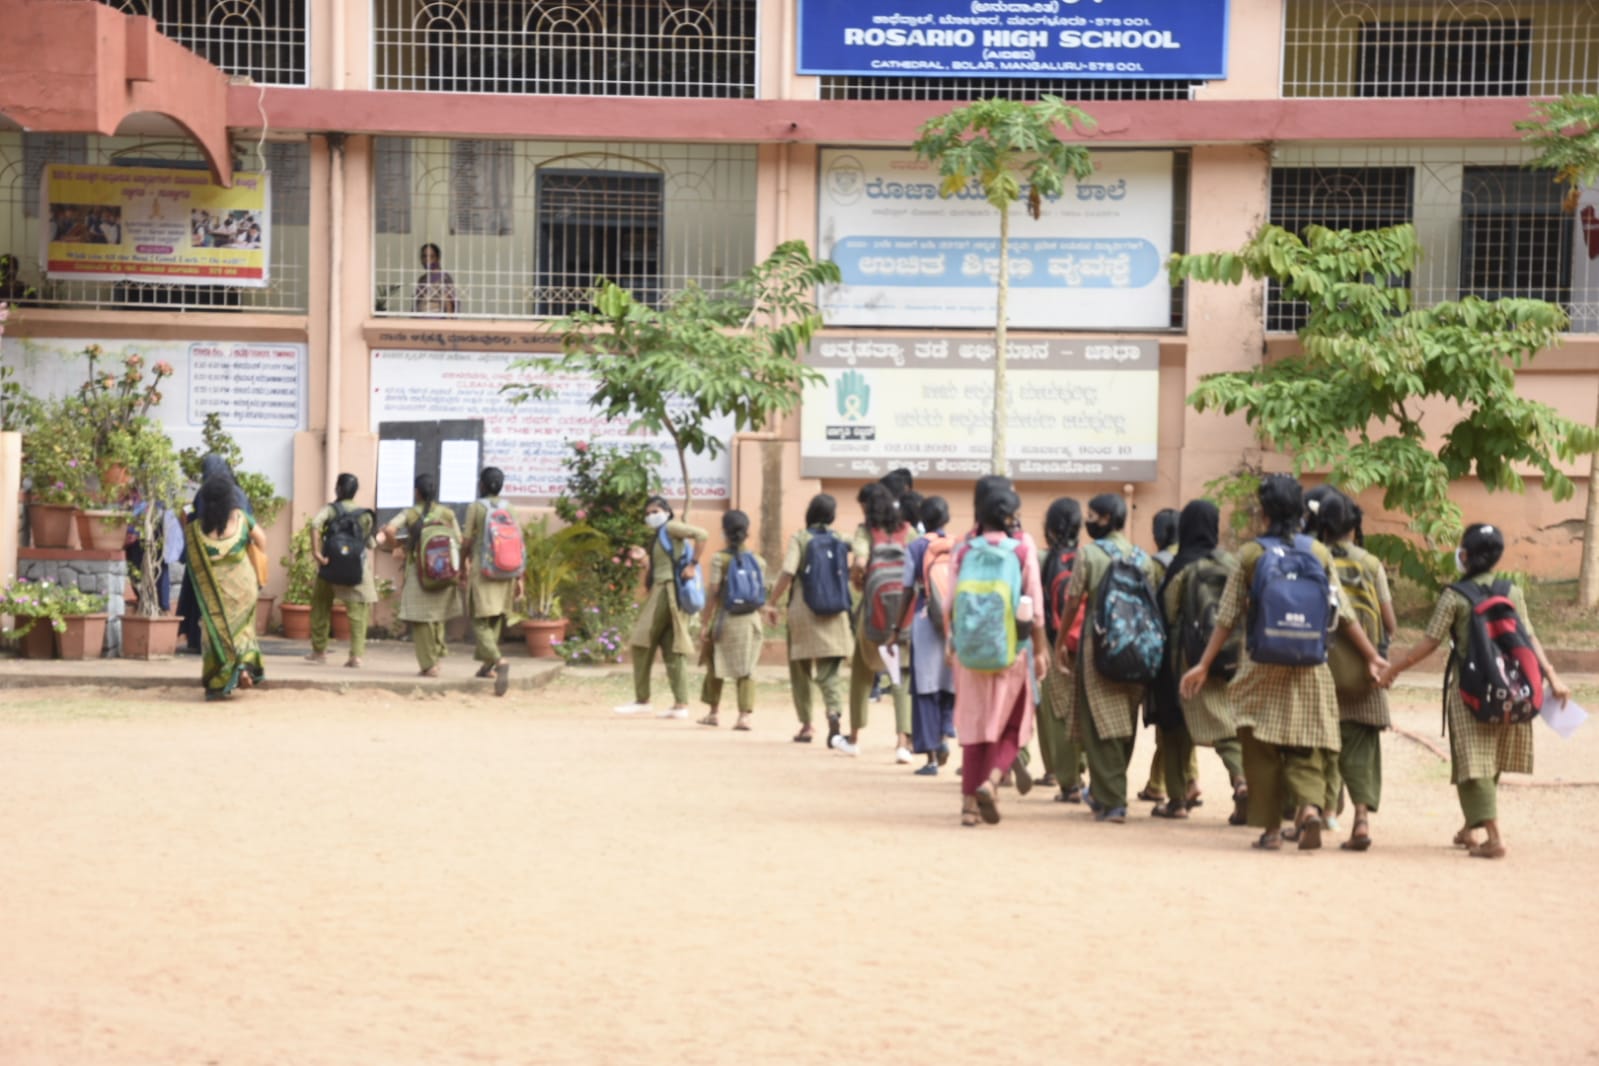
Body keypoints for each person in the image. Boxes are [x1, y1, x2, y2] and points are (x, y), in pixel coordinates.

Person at [1180, 475, 1387, 852]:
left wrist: (1204, 664)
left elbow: (1227, 616)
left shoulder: (1251, 555)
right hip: (1310, 664)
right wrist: (1372, 655)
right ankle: (1308, 808)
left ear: (1264, 513)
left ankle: (1272, 829)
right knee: (1305, 741)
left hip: (1260, 663)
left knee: (1260, 745)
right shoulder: (1318, 553)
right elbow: (1342, 612)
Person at [1379, 524, 1569, 859]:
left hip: (1469, 691)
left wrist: (1395, 668)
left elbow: (1430, 642)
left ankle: (1494, 837)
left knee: (1473, 761)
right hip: (1510, 689)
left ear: (1466, 555)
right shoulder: (1512, 591)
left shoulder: (1455, 595)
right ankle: (1470, 828)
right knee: (1488, 758)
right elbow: (1529, 637)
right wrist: (1551, 677)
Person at [1053, 492, 1158, 823]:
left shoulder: (1089, 554)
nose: (1088, 521)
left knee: (1100, 723)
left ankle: (1113, 800)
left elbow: (1073, 601)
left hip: (1098, 648)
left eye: (1093, 515)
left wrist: (1060, 642)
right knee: (1125, 721)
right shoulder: (1143, 559)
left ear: (1107, 519)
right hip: (1139, 649)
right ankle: (1103, 792)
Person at [948, 481, 1046, 826]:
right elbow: (1034, 606)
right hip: (1011, 651)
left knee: (974, 725)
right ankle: (991, 781)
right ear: (1010, 517)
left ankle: (968, 806)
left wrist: (953, 644)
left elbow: (949, 604)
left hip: (969, 652)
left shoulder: (963, 549)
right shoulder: (1021, 549)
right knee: (1013, 723)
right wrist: (1040, 651)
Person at [1153, 499, 1249, 823]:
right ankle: (1241, 780)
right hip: (1232, 656)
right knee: (1226, 726)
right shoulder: (1231, 562)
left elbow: (1168, 611)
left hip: (1187, 659)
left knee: (1175, 726)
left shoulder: (1183, 566)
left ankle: (1177, 800)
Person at [1316, 493, 1395, 850]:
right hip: (1365, 671)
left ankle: (1320, 810)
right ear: (1354, 526)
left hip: (1321, 667)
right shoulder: (1371, 564)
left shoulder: (1316, 559)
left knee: (1320, 743)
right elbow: (1389, 623)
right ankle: (1361, 818)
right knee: (1361, 745)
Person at [765, 494, 853, 744]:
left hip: (804, 609)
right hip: (835, 609)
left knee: (800, 668)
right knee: (829, 668)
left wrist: (772, 602)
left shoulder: (800, 538)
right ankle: (833, 710)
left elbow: (788, 571)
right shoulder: (840, 538)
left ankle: (806, 725)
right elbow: (861, 551)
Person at [614, 496, 709, 718]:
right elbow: (665, 564)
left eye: (655, 511)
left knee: (640, 642)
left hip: (666, 591)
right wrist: (644, 559)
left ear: (667, 512)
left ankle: (642, 700)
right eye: (647, 513)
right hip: (667, 591)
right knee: (672, 648)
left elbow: (702, 535)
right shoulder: (661, 535)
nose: (651, 516)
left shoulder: (671, 527)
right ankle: (680, 705)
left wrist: (693, 565)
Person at [844, 482, 912, 758]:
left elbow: (860, 562)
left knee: (862, 671)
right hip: (903, 613)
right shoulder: (907, 530)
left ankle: (854, 737)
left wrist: (858, 580)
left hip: (873, 610)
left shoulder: (865, 531)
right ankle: (902, 742)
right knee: (900, 674)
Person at [185, 474, 266, 700]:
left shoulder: (196, 530)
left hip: (215, 592)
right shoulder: (242, 519)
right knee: (244, 631)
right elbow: (262, 541)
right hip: (244, 588)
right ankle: (244, 667)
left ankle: (218, 682)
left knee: (215, 634)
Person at [378, 473, 462, 677]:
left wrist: (397, 547)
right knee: (438, 614)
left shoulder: (410, 513)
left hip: (419, 572)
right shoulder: (447, 513)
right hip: (444, 571)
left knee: (420, 618)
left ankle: (429, 664)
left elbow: (389, 530)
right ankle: (438, 654)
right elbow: (458, 540)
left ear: (416, 492)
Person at [1139, 506, 1195, 805]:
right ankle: (1175, 780)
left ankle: (1172, 783)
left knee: (1168, 722)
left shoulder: (1155, 564)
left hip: (1164, 650)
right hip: (1195, 648)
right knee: (1186, 720)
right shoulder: (1194, 560)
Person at [899, 495, 955, 775]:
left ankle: (932, 758)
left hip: (925, 619)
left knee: (925, 687)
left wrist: (897, 625)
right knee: (949, 683)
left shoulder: (916, 547)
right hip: (953, 619)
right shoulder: (957, 545)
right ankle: (945, 733)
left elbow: (907, 589)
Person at [1037, 497, 1088, 802]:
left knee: (1058, 711)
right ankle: (1083, 765)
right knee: (1083, 708)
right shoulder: (1088, 557)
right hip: (1087, 643)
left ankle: (1069, 781)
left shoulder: (1043, 559)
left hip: (1055, 641)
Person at [697, 510, 766, 730]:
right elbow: (759, 595)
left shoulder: (719, 559)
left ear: (724, 531)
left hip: (725, 619)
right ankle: (744, 716)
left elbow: (713, 592)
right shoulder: (758, 561)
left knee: (715, 664)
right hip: (750, 621)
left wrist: (704, 622)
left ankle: (713, 713)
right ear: (747, 532)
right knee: (747, 668)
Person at [177, 454, 252, 654]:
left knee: (200, 597)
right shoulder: (239, 493)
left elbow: (194, 517)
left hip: (206, 552)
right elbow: (248, 524)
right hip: (233, 555)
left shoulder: (204, 493)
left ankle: (198, 639)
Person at [460, 467, 522, 696]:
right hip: (506, 569)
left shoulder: (476, 507)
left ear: (482, 485)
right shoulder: (510, 508)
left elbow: (467, 540)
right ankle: (487, 667)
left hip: (483, 568)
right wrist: (520, 576)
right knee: (495, 616)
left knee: (479, 618)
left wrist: (462, 565)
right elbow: (519, 542)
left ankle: (498, 660)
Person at [305, 473, 377, 669]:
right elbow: (370, 543)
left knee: (321, 604)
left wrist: (316, 553)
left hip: (330, 565)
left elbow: (315, 524)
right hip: (356, 569)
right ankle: (356, 656)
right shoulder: (364, 515)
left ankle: (319, 652)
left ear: (338, 489)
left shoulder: (331, 510)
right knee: (358, 612)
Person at [414, 242, 459, 315]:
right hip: (420, 319)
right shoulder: (422, 279)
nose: (427, 260)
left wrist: (449, 320)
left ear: (438, 258)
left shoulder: (443, 278)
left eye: (431, 256)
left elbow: (449, 304)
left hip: (436, 319)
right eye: (424, 256)